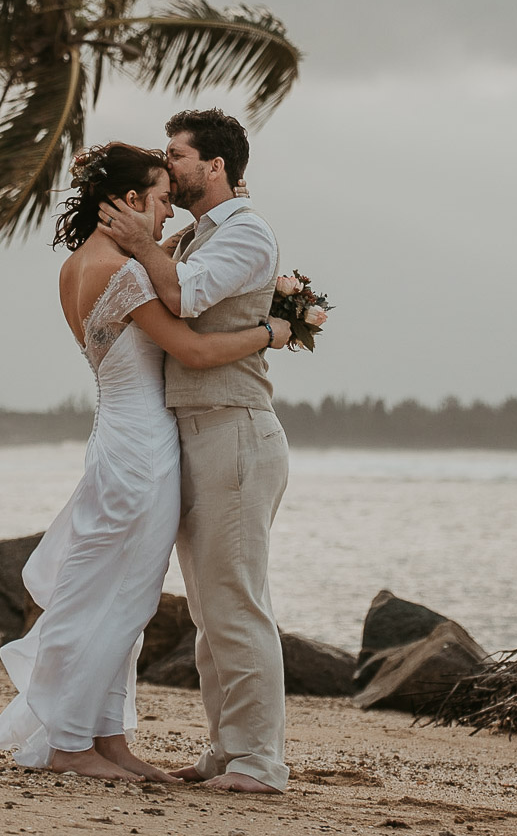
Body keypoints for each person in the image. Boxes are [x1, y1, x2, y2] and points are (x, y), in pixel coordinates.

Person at [0, 141, 290, 782]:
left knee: (119, 592)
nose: (166, 219)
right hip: (143, 445)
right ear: (127, 202)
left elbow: (171, 265)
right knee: (118, 598)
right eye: (157, 202)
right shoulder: (123, 274)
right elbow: (194, 350)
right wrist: (274, 332)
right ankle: (72, 742)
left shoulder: (78, 265)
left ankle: (107, 738)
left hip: (119, 433)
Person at [101, 107, 308, 796]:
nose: (170, 167)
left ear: (216, 165)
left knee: (236, 601)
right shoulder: (197, 235)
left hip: (235, 430)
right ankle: (226, 750)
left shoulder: (246, 232)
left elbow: (185, 298)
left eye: (178, 156)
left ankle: (260, 763)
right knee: (207, 608)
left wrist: (141, 240)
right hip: (196, 431)